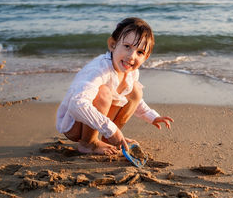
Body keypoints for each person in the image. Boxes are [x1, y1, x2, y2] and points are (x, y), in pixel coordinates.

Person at [56, 17, 173, 155]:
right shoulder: (99, 70)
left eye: (140, 52)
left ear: (146, 57)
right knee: (104, 92)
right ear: (113, 45)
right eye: (127, 46)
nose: (131, 56)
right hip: (73, 125)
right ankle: (88, 143)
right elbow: (77, 104)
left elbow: (134, 99)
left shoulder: (131, 72)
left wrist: (151, 116)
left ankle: (109, 139)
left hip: (97, 121)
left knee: (136, 91)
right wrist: (112, 129)